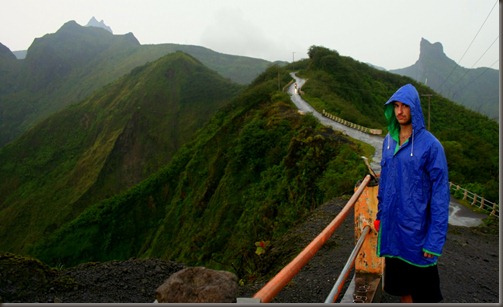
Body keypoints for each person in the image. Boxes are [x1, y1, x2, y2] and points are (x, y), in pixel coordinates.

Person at [374, 83, 450, 303]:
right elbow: (385, 184)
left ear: (414, 108)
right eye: (396, 106)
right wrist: (380, 217)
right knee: (403, 290)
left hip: (418, 235)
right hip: (394, 234)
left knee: (425, 295)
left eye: (404, 106)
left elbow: (440, 196)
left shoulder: (431, 146)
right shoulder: (389, 141)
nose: (399, 111)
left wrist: (434, 241)